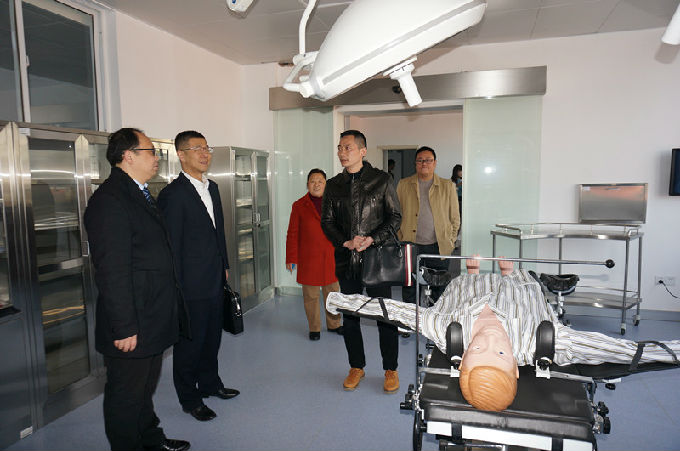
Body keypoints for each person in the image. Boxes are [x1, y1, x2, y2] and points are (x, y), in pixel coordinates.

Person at [326, 257, 680, 411]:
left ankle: (473, 272)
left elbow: (390, 310)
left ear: (462, 361)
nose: (488, 342)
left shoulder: (446, 331)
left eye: (476, 353)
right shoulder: (540, 342)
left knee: (461, 283)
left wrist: (339, 300)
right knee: (520, 280)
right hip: (517, 287)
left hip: (470, 287)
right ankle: (508, 274)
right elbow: (621, 349)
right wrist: (672, 351)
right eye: (498, 355)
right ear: (515, 368)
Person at [84, 128, 190, 451]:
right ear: (128, 156)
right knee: (126, 397)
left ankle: (151, 440)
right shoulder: (109, 201)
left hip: (151, 314)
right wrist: (124, 326)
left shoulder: (140, 193)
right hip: (133, 322)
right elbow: (112, 271)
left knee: (145, 389)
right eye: (150, 151)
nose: (156, 158)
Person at [158, 130, 239, 423]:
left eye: (207, 148)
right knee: (189, 343)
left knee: (212, 338)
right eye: (197, 149)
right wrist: (176, 286)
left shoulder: (212, 188)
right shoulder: (173, 195)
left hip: (214, 277)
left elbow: (219, 232)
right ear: (181, 155)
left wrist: (224, 264)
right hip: (189, 284)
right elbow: (170, 245)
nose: (205, 154)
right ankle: (189, 399)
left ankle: (210, 384)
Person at [321, 129, 402, 393]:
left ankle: (390, 369)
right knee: (351, 317)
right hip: (347, 261)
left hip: (377, 260)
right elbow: (327, 221)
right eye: (339, 148)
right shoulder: (334, 185)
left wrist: (372, 239)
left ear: (362, 151)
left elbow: (395, 217)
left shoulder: (382, 180)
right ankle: (356, 366)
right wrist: (346, 242)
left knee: (384, 316)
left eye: (348, 148)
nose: (342, 153)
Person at [396, 146, 459, 307]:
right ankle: (410, 318)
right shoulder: (403, 185)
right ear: (415, 163)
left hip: (438, 246)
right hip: (410, 246)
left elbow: (455, 218)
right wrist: (400, 237)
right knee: (410, 287)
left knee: (439, 288)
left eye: (428, 160)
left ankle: (434, 318)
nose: (424, 163)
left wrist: (450, 241)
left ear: (435, 163)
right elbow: (396, 214)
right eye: (420, 160)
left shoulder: (447, 186)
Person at [286, 168, 343, 341]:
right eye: (313, 181)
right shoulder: (299, 205)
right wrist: (291, 258)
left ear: (326, 184)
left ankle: (334, 324)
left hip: (331, 257)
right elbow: (292, 234)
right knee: (311, 296)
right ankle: (314, 328)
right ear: (307, 184)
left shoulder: (335, 203)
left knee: (333, 294)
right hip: (309, 259)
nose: (316, 184)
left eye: (320, 181)